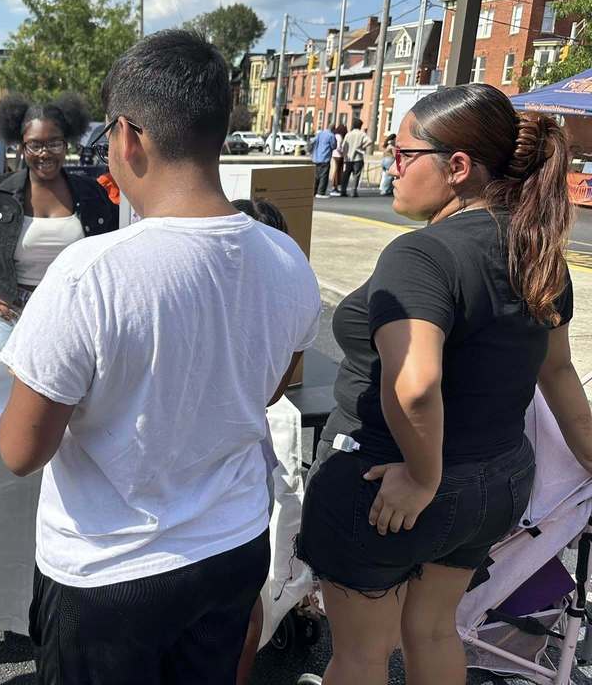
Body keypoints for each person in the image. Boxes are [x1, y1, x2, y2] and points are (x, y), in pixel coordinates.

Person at [0, 30, 321, 685]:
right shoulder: (286, 256)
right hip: (231, 544)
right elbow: (273, 384)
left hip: (109, 569)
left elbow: (20, 450)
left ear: (129, 137)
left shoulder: (91, 272)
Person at [296, 83, 592, 685]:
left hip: (393, 485)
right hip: (495, 481)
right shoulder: (535, 253)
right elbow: (558, 372)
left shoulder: (423, 255)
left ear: (456, 167)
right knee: (433, 632)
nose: (390, 166)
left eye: (402, 153)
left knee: (360, 656)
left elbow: (415, 383)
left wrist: (422, 477)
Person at [0, 93, 117, 353]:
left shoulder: (92, 193)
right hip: (14, 316)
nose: (44, 153)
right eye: (34, 145)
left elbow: (111, 254)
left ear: (66, 144)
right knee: (8, 392)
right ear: (22, 147)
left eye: (54, 144)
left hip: (74, 317)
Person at [230, 195, 292, 685]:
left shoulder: (274, 303)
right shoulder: (286, 297)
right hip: (243, 474)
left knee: (239, 600)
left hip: (239, 474)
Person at [341, 117, 372, 197]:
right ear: (360, 126)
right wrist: (362, 147)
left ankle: (343, 190)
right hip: (358, 157)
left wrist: (345, 156)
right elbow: (369, 141)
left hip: (349, 157)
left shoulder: (349, 134)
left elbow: (344, 146)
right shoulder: (362, 134)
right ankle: (353, 191)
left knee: (346, 174)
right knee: (356, 175)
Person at [312, 126, 338, 198]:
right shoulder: (331, 135)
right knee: (324, 176)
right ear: (333, 129)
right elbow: (334, 146)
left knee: (316, 176)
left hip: (316, 158)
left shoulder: (320, 133)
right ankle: (321, 192)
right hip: (325, 157)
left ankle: (314, 191)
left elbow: (313, 141)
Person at [329, 123, 347, 196]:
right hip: (338, 155)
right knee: (337, 171)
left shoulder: (335, 135)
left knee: (336, 171)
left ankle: (335, 186)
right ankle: (335, 186)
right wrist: (343, 152)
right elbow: (338, 147)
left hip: (334, 155)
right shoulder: (339, 137)